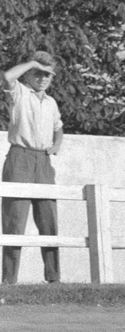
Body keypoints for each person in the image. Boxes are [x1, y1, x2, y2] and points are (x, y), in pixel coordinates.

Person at [3, 52, 64, 284]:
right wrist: (32, 62)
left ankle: (53, 279)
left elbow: (59, 126)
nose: (42, 78)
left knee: (49, 220)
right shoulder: (20, 93)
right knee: (14, 221)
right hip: (20, 158)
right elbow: (7, 76)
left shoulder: (51, 102)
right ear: (29, 74)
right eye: (38, 73)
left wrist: (57, 143)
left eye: (47, 74)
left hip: (43, 162)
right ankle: (8, 281)